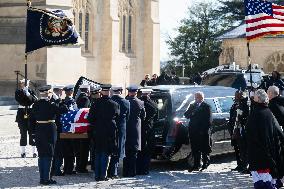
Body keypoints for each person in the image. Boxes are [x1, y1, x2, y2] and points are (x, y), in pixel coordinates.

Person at [246, 89, 284, 189]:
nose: (253, 99)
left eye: (254, 97)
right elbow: (278, 133)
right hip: (269, 155)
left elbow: (252, 134)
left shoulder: (256, 114)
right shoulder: (268, 112)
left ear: (258, 99)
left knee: (263, 184)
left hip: (259, 157)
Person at [30, 85, 68, 185]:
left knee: (41, 155)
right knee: (49, 154)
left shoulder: (35, 104)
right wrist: (59, 100)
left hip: (38, 129)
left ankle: (42, 178)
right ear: (48, 93)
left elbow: (31, 120)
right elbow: (65, 109)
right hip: (49, 130)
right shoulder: (51, 104)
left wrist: (32, 134)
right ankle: (47, 179)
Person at [88, 84, 120, 181]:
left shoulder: (95, 104)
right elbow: (117, 118)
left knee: (98, 152)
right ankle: (103, 175)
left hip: (97, 131)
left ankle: (97, 175)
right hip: (109, 132)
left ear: (101, 92)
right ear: (109, 92)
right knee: (106, 153)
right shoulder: (114, 104)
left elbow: (90, 119)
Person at [184, 91, 212, 171]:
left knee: (204, 149)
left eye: (197, 97)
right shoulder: (192, 105)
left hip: (202, 131)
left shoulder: (206, 106)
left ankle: (205, 163)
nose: (196, 99)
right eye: (195, 97)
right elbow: (186, 115)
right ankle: (196, 165)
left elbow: (209, 120)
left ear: (201, 98)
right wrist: (192, 112)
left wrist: (204, 130)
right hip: (193, 131)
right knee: (195, 148)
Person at [107, 86, 130, 178]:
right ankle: (114, 172)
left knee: (109, 149)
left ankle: (108, 170)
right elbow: (127, 117)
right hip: (121, 128)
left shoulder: (110, 101)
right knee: (118, 149)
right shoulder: (126, 102)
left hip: (110, 128)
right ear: (121, 91)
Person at [123, 85, 146, 177]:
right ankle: (132, 172)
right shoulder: (140, 102)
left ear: (129, 92)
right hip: (136, 129)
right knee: (133, 152)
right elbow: (143, 116)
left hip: (125, 128)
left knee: (125, 151)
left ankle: (125, 172)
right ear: (136, 92)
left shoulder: (125, 102)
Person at [137, 88, 158, 175]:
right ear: (149, 94)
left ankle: (138, 168)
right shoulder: (154, 104)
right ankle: (145, 169)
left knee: (139, 150)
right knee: (147, 150)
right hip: (149, 128)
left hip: (138, 128)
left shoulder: (138, 103)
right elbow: (156, 118)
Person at [15, 79, 37, 158]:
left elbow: (34, 100)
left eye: (26, 83)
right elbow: (20, 101)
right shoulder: (18, 92)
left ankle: (34, 152)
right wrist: (24, 93)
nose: (24, 85)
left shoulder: (31, 91)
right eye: (23, 83)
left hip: (31, 112)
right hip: (22, 112)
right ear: (21, 84)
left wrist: (28, 94)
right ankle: (23, 152)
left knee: (32, 133)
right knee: (23, 133)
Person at [228, 90, 249, 173]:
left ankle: (244, 165)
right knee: (237, 148)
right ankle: (239, 164)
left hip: (241, 130)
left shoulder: (244, 105)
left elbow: (245, 116)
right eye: (235, 95)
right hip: (234, 129)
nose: (236, 97)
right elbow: (232, 116)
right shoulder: (235, 105)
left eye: (238, 96)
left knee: (243, 149)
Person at [61, 85, 77, 175]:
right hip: (70, 128)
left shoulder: (64, 101)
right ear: (71, 92)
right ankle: (69, 169)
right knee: (70, 149)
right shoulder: (71, 101)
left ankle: (68, 168)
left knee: (67, 149)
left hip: (66, 128)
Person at [75, 84, 91, 173]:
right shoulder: (85, 99)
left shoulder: (77, 98)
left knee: (79, 148)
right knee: (84, 148)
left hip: (78, 126)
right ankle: (81, 167)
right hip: (83, 126)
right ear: (87, 90)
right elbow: (84, 113)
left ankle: (79, 165)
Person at [50, 85, 65, 176]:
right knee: (58, 151)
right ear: (59, 91)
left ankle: (53, 169)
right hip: (57, 128)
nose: (62, 93)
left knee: (54, 150)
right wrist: (59, 101)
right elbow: (62, 110)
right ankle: (56, 169)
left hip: (52, 129)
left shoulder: (52, 101)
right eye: (61, 91)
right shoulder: (55, 101)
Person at [89, 86, 102, 171]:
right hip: (99, 128)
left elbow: (90, 118)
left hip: (93, 128)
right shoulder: (99, 103)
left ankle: (94, 165)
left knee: (93, 148)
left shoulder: (92, 103)